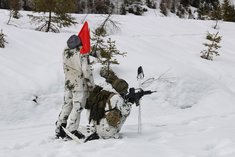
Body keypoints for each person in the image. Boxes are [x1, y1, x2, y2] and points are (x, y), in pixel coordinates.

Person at [55, 34, 95, 139]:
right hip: (79, 85)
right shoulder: (81, 53)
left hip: (68, 83)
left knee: (67, 104)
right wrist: (91, 84)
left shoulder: (65, 52)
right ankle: (72, 130)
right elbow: (86, 70)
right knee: (77, 107)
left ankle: (60, 128)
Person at [84, 70, 133, 141]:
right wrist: (130, 102)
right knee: (124, 113)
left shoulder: (104, 92)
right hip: (107, 131)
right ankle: (113, 132)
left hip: (97, 126)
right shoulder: (117, 97)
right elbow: (126, 112)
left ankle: (98, 131)